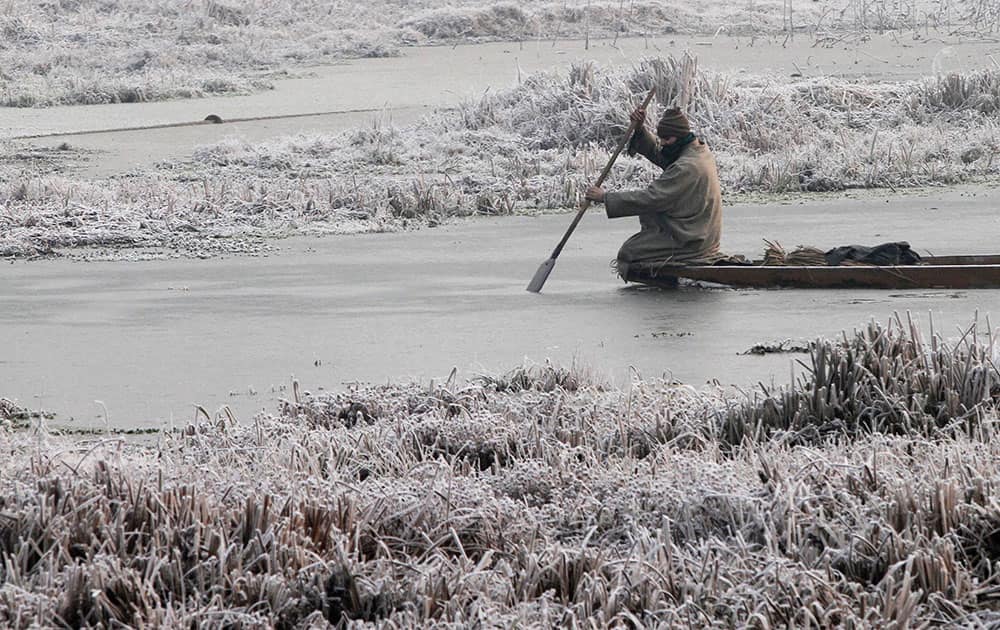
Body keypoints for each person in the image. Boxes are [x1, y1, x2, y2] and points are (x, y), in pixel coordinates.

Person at [584, 107, 723, 280]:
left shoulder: (687, 166)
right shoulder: (696, 150)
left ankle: (674, 274)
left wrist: (605, 197)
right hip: (700, 230)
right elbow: (663, 155)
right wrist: (640, 129)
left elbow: (652, 198)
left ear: (679, 137)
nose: (663, 142)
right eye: (661, 138)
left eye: (666, 139)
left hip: (691, 238)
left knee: (629, 252)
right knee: (636, 248)